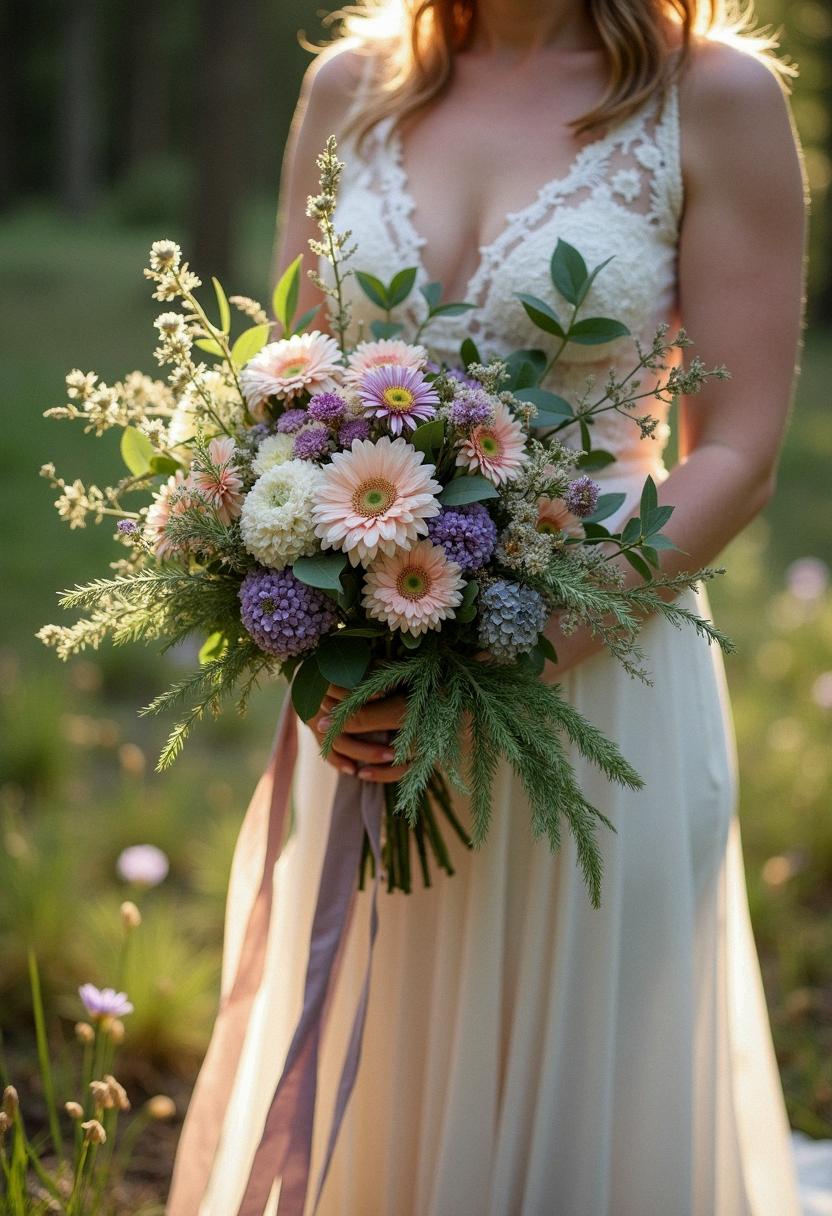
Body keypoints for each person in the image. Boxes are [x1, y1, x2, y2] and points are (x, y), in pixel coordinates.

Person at [167, 1, 807, 1212]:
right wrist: (316, 651)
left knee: (579, 1090)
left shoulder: (711, 99)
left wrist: (514, 659)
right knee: (383, 1071)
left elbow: (741, 450)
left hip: (598, 663)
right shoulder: (350, 86)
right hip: (370, 679)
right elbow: (288, 409)